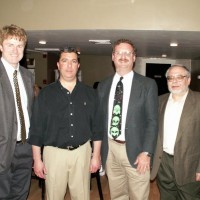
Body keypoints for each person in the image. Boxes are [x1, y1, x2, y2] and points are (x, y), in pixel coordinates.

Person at [28, 48, 102, 200]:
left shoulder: (91, 94)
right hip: (53, 154)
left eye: (73, 61)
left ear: (78, 65)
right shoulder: (45, 94)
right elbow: (36, 129)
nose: (69, 66)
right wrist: (37, 159)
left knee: (82, 196)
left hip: (82, 153)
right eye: (65, 61)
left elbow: (97, 128)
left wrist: (96, 155)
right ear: (58, 65)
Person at [96, 39, 158, 200]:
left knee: (138, 196)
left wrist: (147, 152)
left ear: (134, 57)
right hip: (110, 149)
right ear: (113, 56)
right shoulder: (103, 85)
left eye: (127, 53)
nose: (123, 56)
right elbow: (99, 120)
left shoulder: (148, 85)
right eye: (119, 53)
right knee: (117, 195)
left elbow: (152, 121)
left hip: (137, 151)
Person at [151, 64, 200, 199]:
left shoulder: (198, 101)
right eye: (170, 78)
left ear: (188, 80)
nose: (174, 81)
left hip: (190, 164)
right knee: (166, 196)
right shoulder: (160, 101)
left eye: (179, 77)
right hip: (164, 162)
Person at [0, 24, 34, 199]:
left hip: (25, 147)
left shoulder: (27, 76)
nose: (15, 50)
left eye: (19, 45)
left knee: (21, 194)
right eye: (10, 44)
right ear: (1, 47)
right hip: (2, 150)